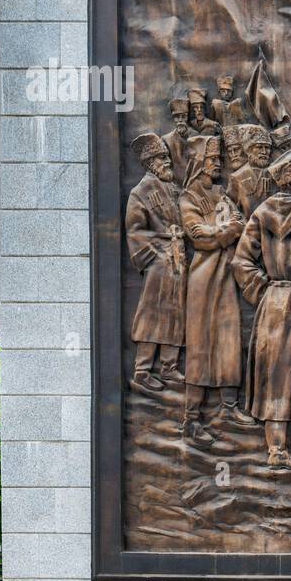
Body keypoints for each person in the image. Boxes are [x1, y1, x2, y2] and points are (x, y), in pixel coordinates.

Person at [232, 149, 291, 469]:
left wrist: (264, 292)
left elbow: (241, 261)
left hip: (273, 302)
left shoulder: (261, 213)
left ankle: (277, 449)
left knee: (276, 375)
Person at [179, 135, 251, 445]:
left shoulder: (222, 194)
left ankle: (229, 407)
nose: (216, 163)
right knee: (201, 344)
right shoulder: (188, 199)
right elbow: (199, 236)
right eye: (211, 160)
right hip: (203, 279)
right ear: (197, 163)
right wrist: (229, 230)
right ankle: (192, 419)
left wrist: (230, 228)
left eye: (217, 159)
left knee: (229, 338)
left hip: (226, 277)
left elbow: (240, 220)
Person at [125, 133, 186, 395]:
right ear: (150, 162)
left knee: (176, 313)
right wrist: (155, 256)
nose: (167, 162)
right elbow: (135, 230)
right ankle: (142, 369)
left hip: (178, 258)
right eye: (162, 158)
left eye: (167, 157)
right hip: (159, 260)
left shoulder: (174, 189)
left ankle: (169, 366)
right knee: (152, 315)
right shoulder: (140, 192)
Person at [228, 124, 274, 218]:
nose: (264, 152)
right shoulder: (237, 177)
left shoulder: (273, 173)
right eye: (259, 147)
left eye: (267, 147)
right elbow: (230, 204)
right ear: (249, 150)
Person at [161, 97, 192, 175]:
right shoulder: (166, 139)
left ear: (187, 117)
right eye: (177, 117)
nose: (180, 120)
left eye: (183, 116)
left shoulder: (196, 135)